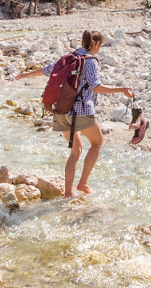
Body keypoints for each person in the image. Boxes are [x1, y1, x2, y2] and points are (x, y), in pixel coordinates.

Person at [17, 30, 133, 198]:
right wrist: (121, 90)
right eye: (101, 45)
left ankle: (68, 192)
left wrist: (25, 75)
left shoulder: (69, 57)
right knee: (97, 142)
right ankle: (83, 183)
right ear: (97, 44)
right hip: (81, 111)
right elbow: (96, 87)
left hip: (61, 110)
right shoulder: (90, 62)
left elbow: (47, 70)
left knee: (75, 150)